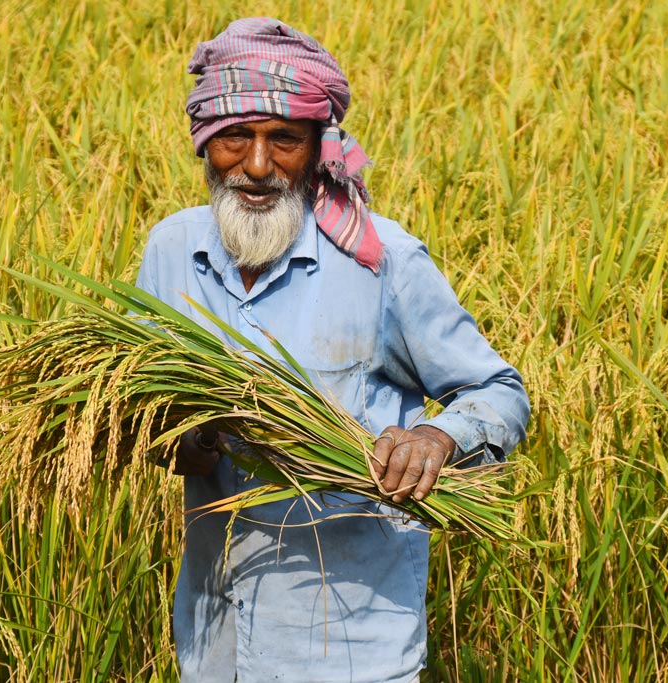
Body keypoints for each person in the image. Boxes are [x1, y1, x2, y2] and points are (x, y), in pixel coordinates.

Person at [135, 17, 530, 683]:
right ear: (205, 142)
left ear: (319, 146)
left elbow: (498, 394)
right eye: (235, 137)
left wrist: (434, 438)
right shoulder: (172, 253)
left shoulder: (384, 262)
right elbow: (136, 408)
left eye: (283, 140)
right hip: (214, 644)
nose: (256, 167)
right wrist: (177, 440)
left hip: (349, 651)